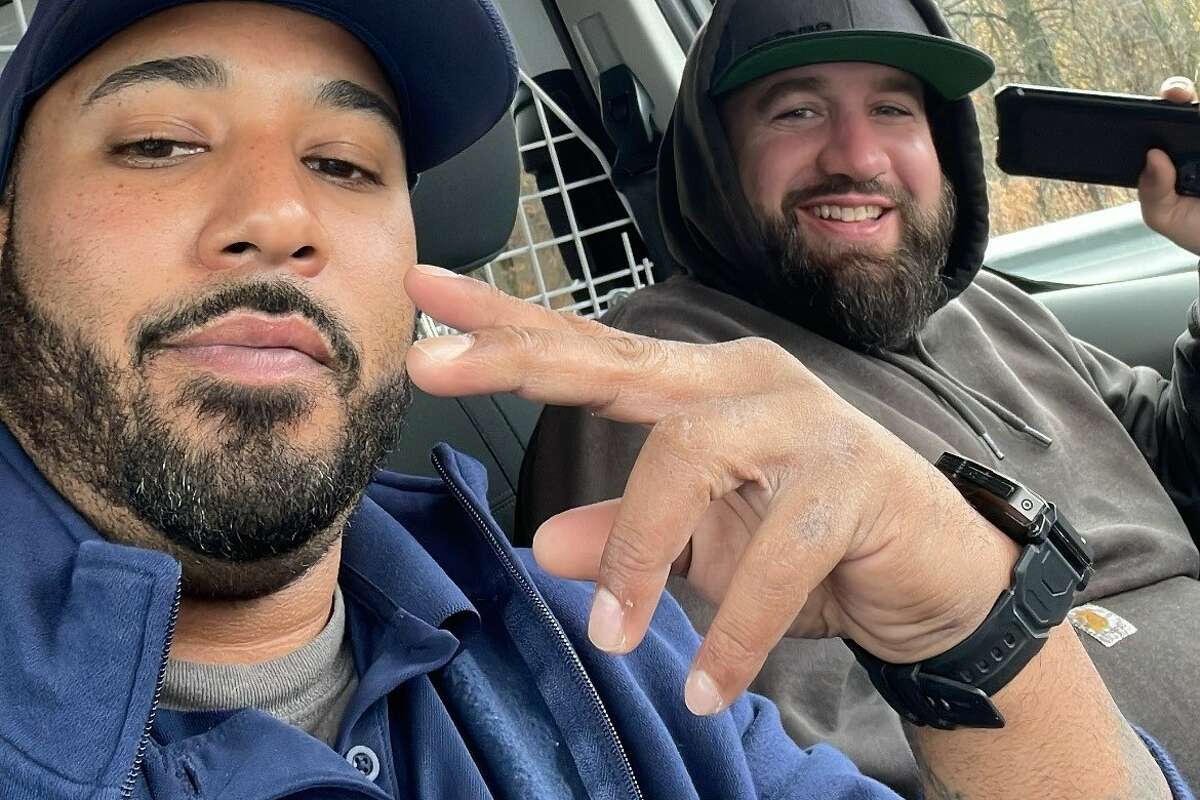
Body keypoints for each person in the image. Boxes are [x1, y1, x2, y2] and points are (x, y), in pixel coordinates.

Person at [0, 1, 1189, 799]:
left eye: (345, 164)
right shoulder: (649, 474)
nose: (279, 213)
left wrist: (975, 628)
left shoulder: (583, 637)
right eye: (158, 142)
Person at [518, 0, 1200, 795]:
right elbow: (779, 749)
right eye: (798, 111)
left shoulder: (988, 307)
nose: (857, 156)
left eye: (892, 109)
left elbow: (1176, 466)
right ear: (715, 156)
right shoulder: (659, 379)